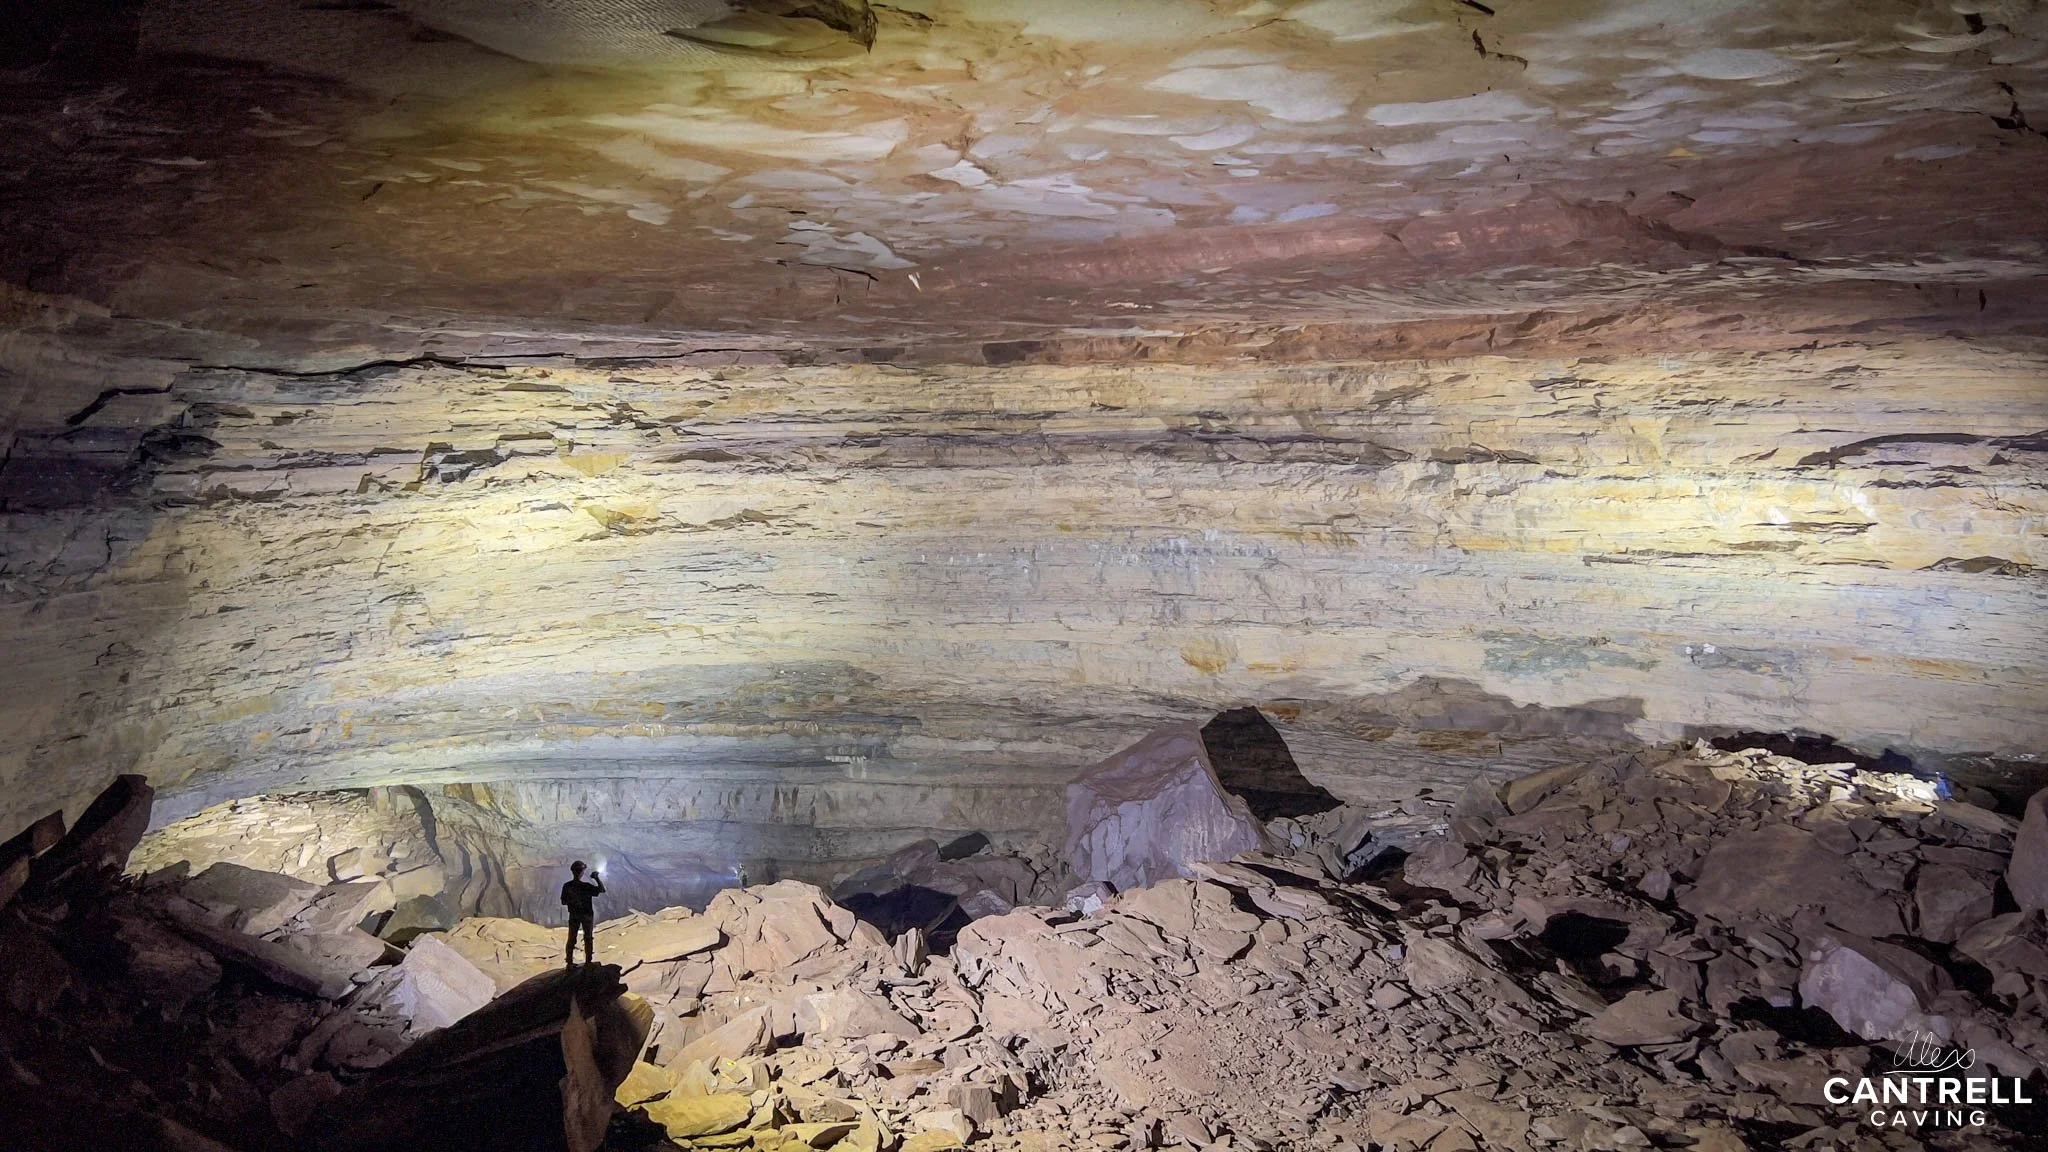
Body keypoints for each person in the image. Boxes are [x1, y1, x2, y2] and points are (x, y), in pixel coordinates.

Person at [561, 860, 604, 965]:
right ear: (582, 872)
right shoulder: (586, 886)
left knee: (572, 938)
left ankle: (569, 962)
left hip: (574, 915)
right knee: (588, 937)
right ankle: (588, 961)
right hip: (587, 915)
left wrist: (573, 901)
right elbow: (601, 890)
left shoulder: (567, 886)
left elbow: (563, 901)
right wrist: (596, 878)